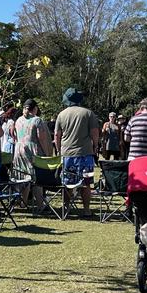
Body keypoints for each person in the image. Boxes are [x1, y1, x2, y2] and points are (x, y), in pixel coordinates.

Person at [54, 88, 100, 218]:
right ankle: (86, 210)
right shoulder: (88, 113)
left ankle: (66, 207)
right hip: (85, 153)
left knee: (67, 182)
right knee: (86, 183)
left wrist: (58, 149)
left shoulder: (61, 115)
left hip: (67, 154)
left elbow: (57, 135)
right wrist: (96, 146)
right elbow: (95, 132)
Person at [13, 98, 53, 211]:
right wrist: (46, 153)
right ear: (35, 108)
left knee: (24, 178)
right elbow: (42, 139)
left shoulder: (18, 120)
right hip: (32, 151)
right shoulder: (37, 120)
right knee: (36, 179)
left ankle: (23, 203)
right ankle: (40, 205)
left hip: (19, 150)